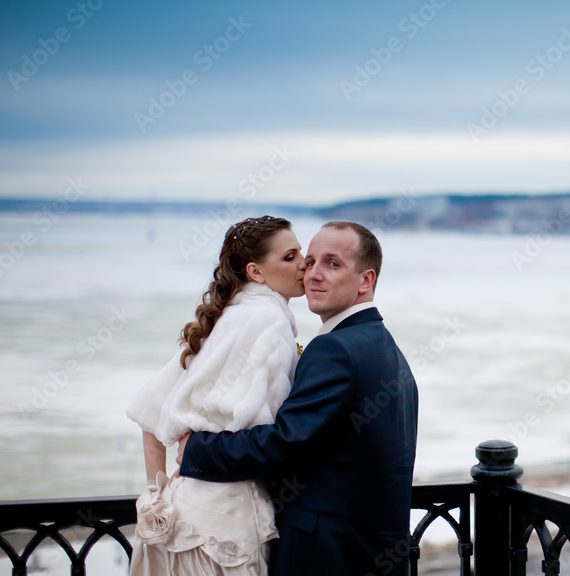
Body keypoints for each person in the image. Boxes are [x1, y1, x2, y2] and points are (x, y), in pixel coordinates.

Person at [178, 221, 419, 576]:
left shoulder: (336, 350)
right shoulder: (387, 350)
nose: (313, 274)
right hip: (374, 552)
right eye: (310, 261)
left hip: (326, 556)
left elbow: (284, 444)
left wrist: (198, 450)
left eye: (333, 264)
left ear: (366, 280)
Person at [126, 215, 305, 576]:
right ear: (255, 272)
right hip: (229, 525)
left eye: (301, 252)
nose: (305, 263)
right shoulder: (269, 318)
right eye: (289, 257)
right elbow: (273, 442)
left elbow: (149, 412)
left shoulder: (226, 318)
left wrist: (154, 497)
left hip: (181, 513)